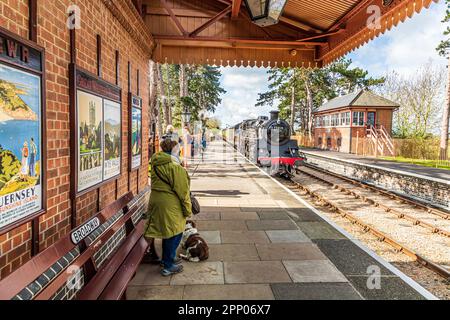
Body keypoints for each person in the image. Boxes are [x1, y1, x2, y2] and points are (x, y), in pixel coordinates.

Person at [143, 137, 192, 276]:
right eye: (177, 149)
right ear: (174, 150)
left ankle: (167, 259)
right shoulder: (175, 167)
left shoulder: (157, 162)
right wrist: (187, 210)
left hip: (157, 200)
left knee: (168, 232)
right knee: (175, 233)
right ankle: (168, 266)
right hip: (170, 204)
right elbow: (183, 192)